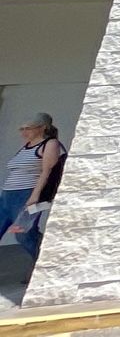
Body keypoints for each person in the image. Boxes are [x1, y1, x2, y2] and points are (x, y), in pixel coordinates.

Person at [2, 113, 66, 264]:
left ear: (42, 128)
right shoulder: (25, 147)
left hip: (27, 194)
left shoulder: (50, 144)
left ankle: (47, 263)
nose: (24, 132)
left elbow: (47, 171)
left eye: (28, 128)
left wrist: (35, 196)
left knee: (24, 234)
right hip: (7, 195)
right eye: (22, 129)